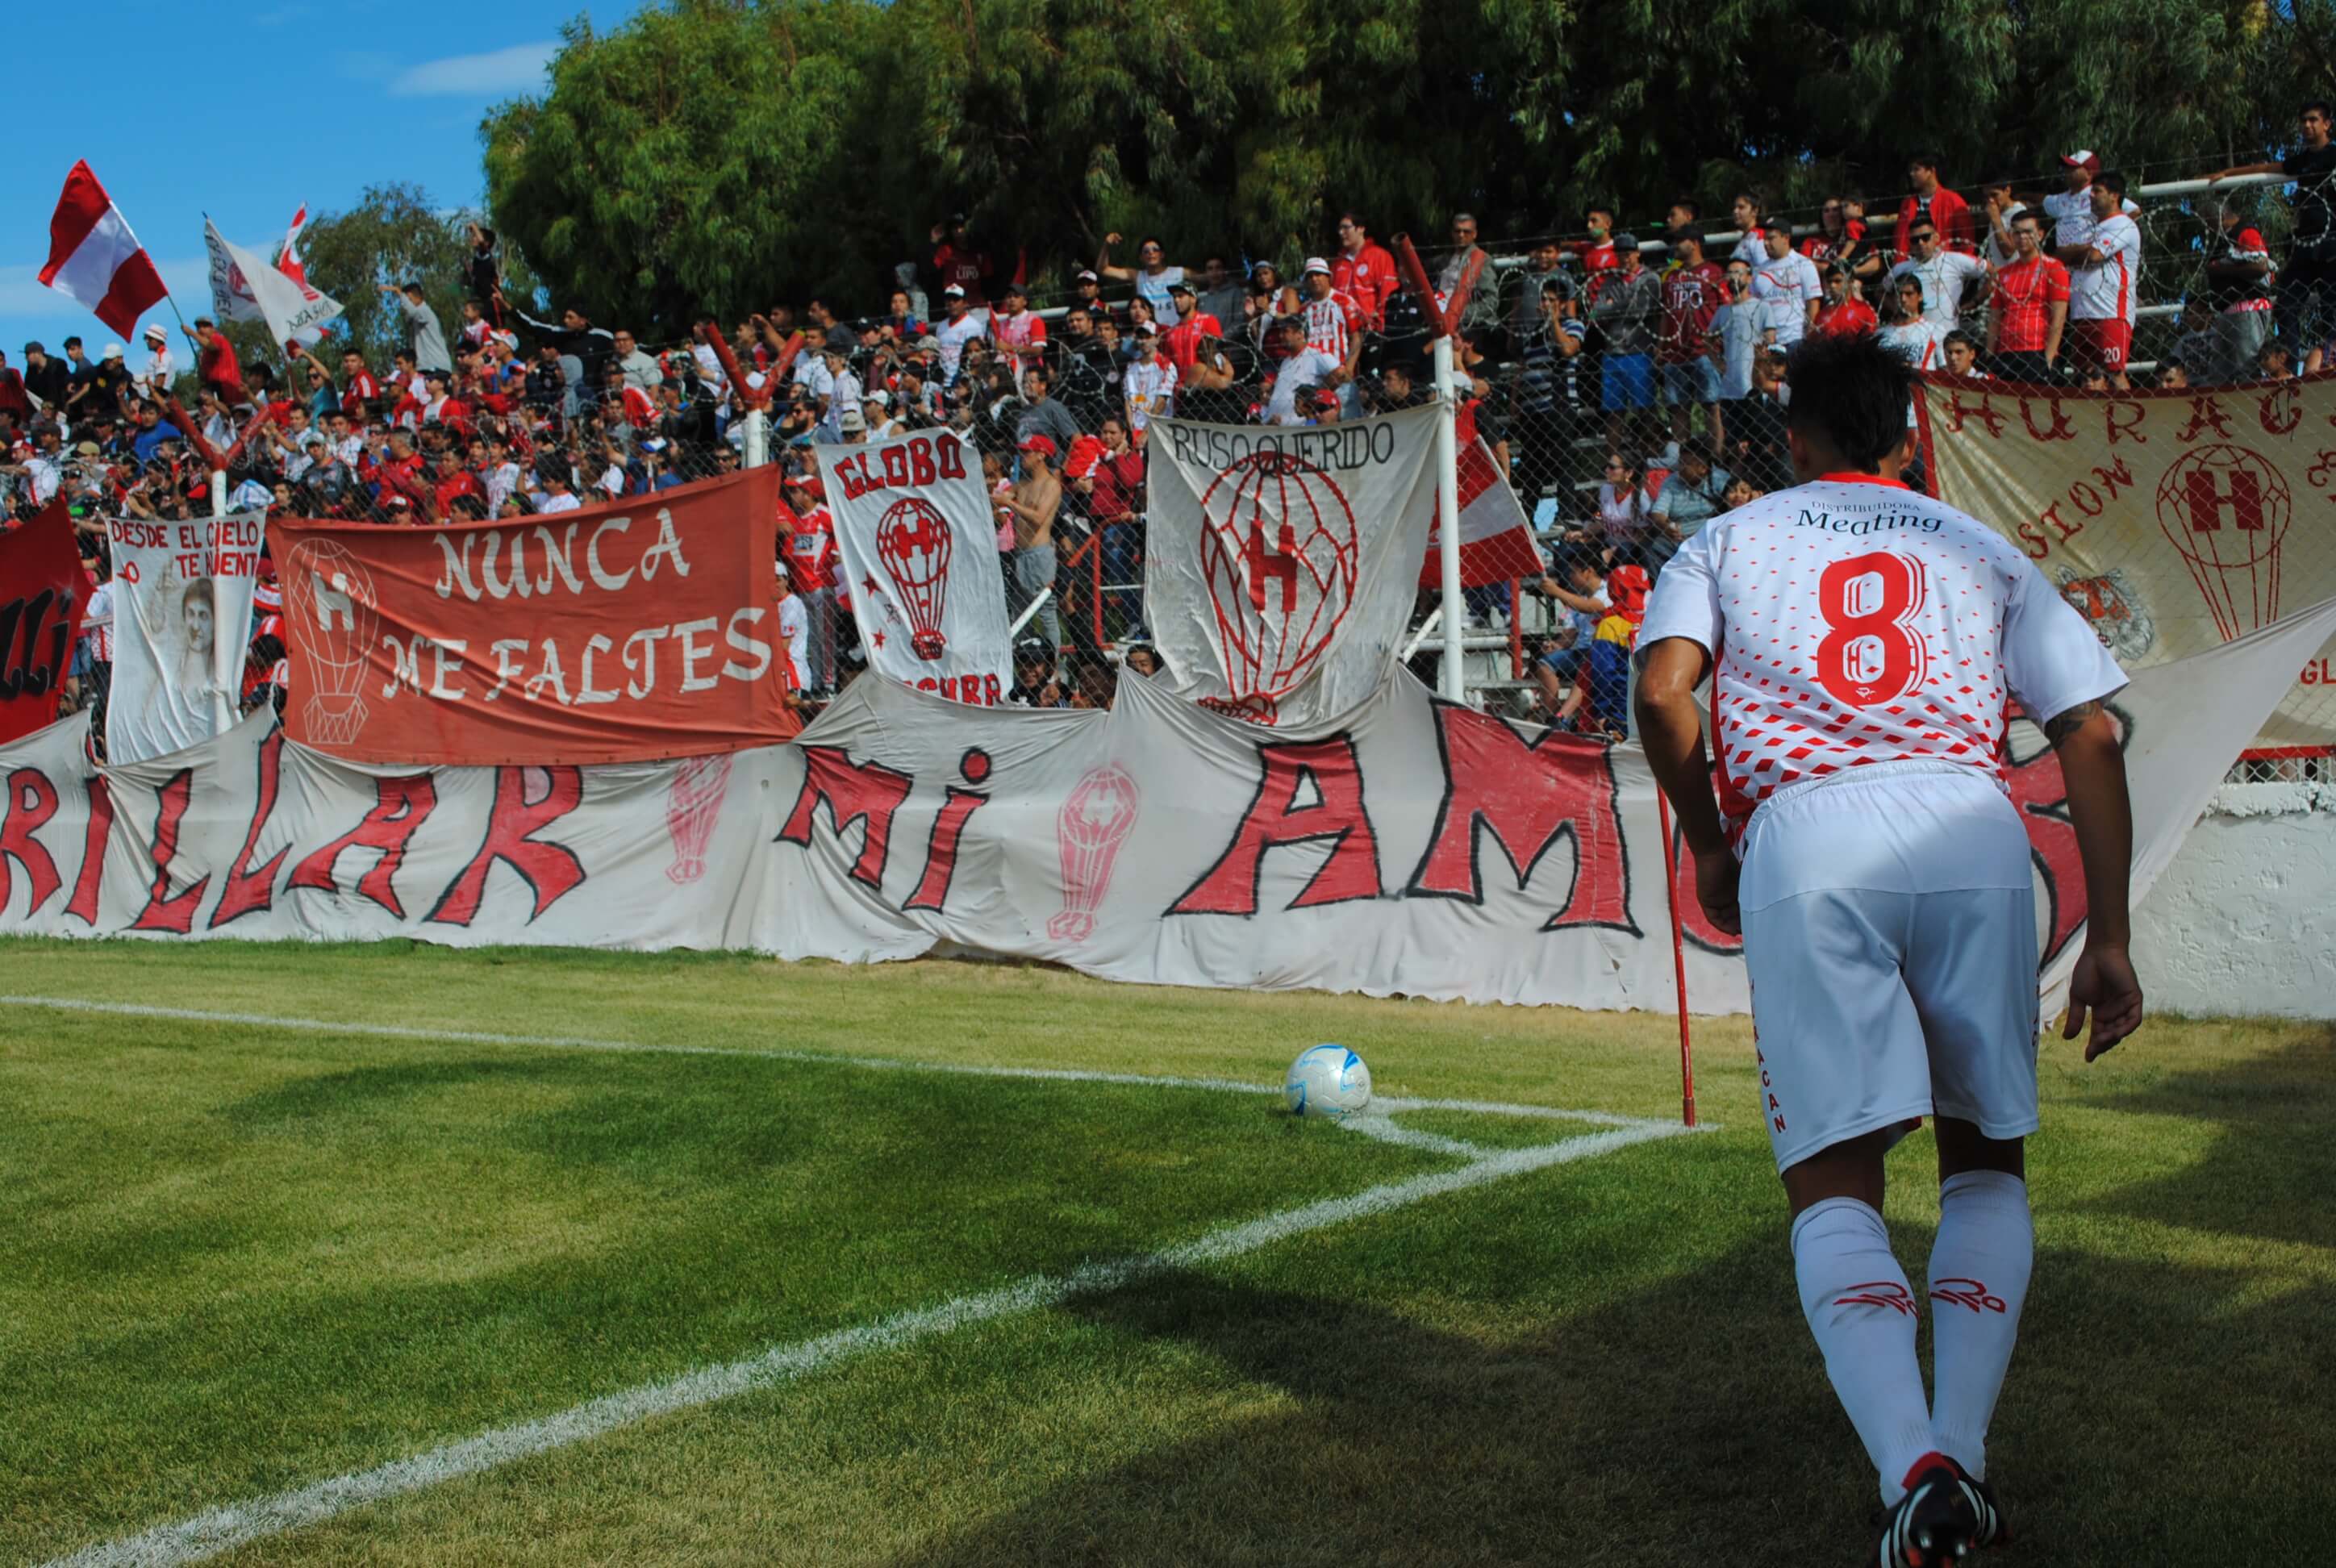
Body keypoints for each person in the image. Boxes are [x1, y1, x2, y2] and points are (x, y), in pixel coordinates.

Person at [1632, 328, 2141, 1566]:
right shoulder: (1982, 547)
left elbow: (1661, 694)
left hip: (1809, 840)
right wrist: (2111, 937)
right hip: (1971, 826)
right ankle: (1959, 1451)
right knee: (1985, 1162)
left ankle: (1909, 1465)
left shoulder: (1728, 538)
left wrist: (1709, 843)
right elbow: (2095, 735)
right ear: (1909, 436)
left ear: (1792, 436)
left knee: (1834, 1177)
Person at [2209, 101, 2336, 354]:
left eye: (2313, 120)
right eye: (2303, 121)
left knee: (2330, 309)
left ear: (2327, 124)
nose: (2307, 126)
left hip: (2332, 244)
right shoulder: (2302, 160)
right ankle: (2288, 365)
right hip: (2305, 247)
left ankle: (2329, 361)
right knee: (2287, 304)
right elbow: (2266, 168)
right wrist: (2229, 172)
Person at [2053, 171, 2141, 390]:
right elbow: (2061, 256)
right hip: (2082, 313)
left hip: (2111, 313)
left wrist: (2076, 252)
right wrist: (2081, 251)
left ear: (2114, 195)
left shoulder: (2123, 224)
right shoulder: (2091, 227)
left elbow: (2094, 256)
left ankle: (2127, 417)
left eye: (2097, 191)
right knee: (2084, 376)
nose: (2091, 196)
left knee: (2114, 374)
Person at [1591, 236, 1662, 455]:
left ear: (1638, 253)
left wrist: (1613, 306)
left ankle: (1648, 458)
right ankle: (1614, 461)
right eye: (1621, 254)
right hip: (1613, 353)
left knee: (1645, 410)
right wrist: (1620, 306)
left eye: (1629, 253)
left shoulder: (1650, 279)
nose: (1625, 258)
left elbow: (1640, 311)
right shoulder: (1610, 281)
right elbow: (1596, 312)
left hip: (1639, 352)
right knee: (1614, 413)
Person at [1987, 213, 2070, 382]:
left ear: (2040, 234)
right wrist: (1989, 357)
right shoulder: (2003, 273)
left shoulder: (2053, 267)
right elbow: (1995, 318)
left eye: (2028, 232)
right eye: (2017, 233)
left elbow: (2059, 317)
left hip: (2037, 350)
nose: (2022, 237)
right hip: (2006, 352)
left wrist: (2049, 357)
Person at [1002, 434, 1063, 654]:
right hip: (1020, 555)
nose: (1022, 456)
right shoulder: (1022, 485)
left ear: (1041, 455)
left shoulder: (1052, 485)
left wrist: (1009, 503)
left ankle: (1054, 666)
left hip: (1039, 554)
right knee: (1018, 613)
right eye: (1022, 451)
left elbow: (1038, 518)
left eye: (1027, 452)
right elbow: (998, 497)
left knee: (1046, 612)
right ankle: (1023, 661)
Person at [1886, 223, 1991, 331]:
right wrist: (1898, 309)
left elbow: (1993, 272)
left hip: (1947, 337)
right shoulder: (1901, 269)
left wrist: (1974, 302)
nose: (1921, 243)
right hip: (1914, 336)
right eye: (1915, 240)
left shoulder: (1954, 260)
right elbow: (1881, 291)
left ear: (1936, 237)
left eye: (1925, 238)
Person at [1896, 152, 1975, 255]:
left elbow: (1967, 240)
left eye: (1916, 169)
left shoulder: (1952, 200)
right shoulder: (1907, 204)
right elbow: (1900, 242)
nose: (1912, 174)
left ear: (1931, 171)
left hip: (1945, 265)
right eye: (1911, 170)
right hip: (1912, 266)